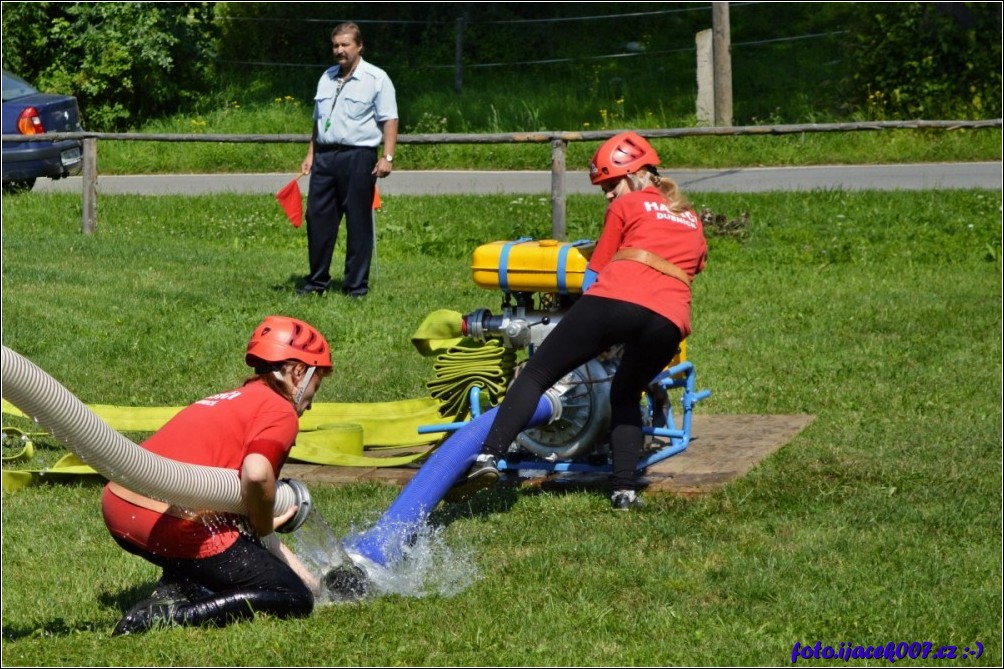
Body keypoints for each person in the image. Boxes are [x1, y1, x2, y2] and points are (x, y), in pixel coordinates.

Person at [450, 131, 708, 510]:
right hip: (669, 321)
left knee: (537, 375)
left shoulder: (628, 205)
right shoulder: (690, 218)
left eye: (610, 185)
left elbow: (594, 275)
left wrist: (586, 326)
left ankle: (487, 458)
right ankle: (624, 491)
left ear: (634, 175)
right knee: (625, 393)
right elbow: (694, 268)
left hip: (615, 299)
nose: (607, 195)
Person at [103, 316, 334, 634]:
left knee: (230, 553)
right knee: (292, 596)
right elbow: (256, 474)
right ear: (298, 372)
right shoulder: (280, 410)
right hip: (166, 521)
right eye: (315, 388)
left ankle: (176, 586)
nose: (309, 406)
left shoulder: (231, 399)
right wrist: (264, 526)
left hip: (119, 506)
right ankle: (167, 617)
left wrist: (312, 580)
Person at [297, 22, 399, 299]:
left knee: (357, 221)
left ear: (359, 46)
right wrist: (311, 153)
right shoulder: (327, 77)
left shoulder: (376, 78)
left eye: (345, 45)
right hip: (325, 157)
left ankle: (355, 287)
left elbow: (390, 119)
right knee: (317, 218)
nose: (339, 50)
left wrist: (387, 156)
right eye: (336, 45)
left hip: (358, 156)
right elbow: (318, 120)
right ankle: (317, 281)